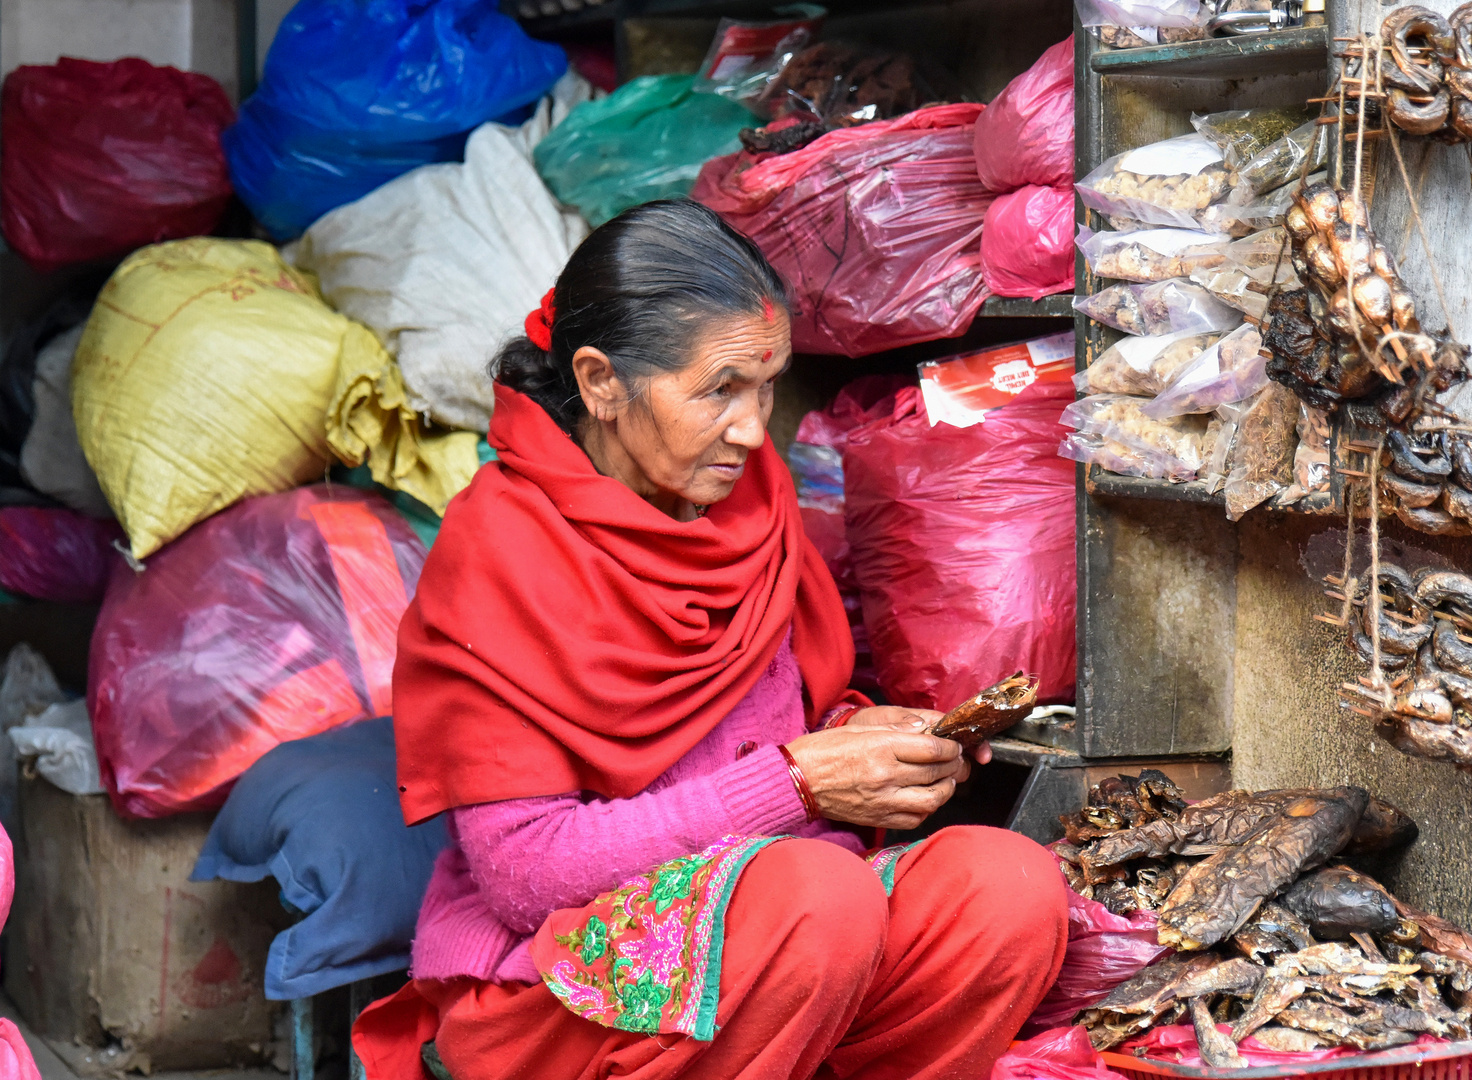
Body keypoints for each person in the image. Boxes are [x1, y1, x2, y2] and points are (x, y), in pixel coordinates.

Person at [353, 200, 1067, 1080]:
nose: (750, 427)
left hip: (786, 942)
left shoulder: (745, 497)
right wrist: (801, 781)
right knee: (814, 896)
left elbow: (761, 730)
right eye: (719, 389)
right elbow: (523, 874)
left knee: (1007, 889)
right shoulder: (499, 553)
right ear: (600, 381)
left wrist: (857, 740)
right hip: (558, 986)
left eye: (766, 387)